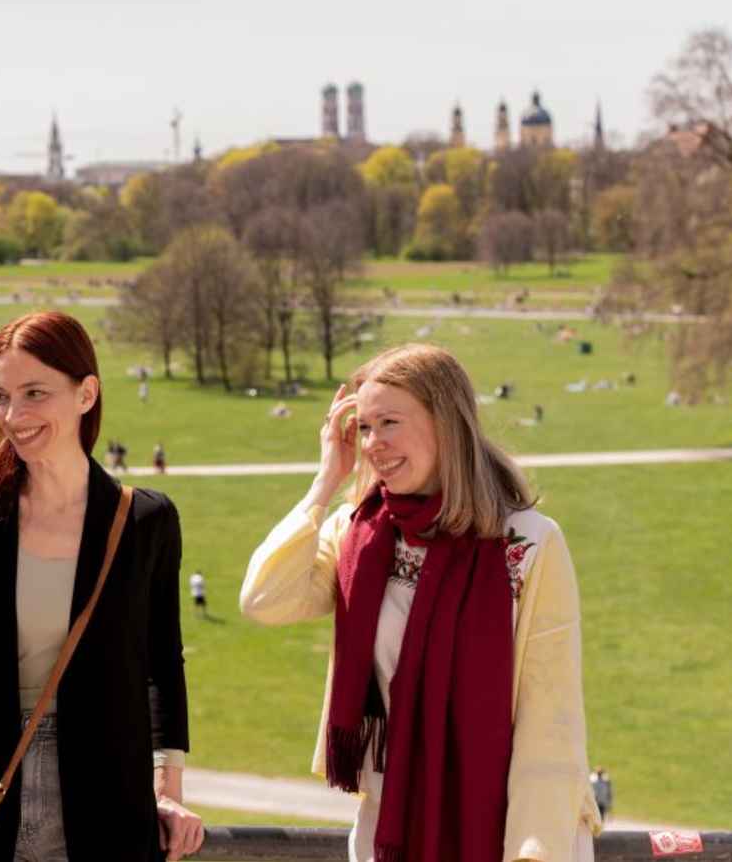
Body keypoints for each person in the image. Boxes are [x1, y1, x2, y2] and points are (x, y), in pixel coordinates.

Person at [240, 343, 600, 862]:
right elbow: (263, 599)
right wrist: (325, 483)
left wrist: (532, 853)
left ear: (446, 423)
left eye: (389, 422)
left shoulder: (529, 545)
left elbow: (551, 722)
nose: (372, 444)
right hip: (389, 827)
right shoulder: (356, 535)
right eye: (362, 427)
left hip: (506, 832)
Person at [0, 311, 202, 862]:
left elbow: (163, 662)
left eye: (35, 392)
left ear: (86, 394)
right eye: (1, 396)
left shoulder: (143, 522)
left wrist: (168, 788)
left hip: (106, 792)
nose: (14, 416)